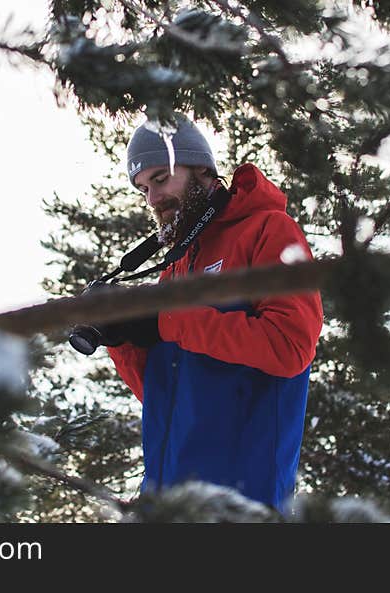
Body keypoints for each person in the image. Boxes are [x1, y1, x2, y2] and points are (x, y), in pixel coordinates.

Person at [103, 114, 324, 512]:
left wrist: (166, 322)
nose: (152, 199)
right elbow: (167, 395)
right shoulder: (176, 264)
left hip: (241, 500)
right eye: (142, 189)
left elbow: (290, 347)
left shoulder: (268, 230)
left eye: (160, 178)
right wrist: (121, 339)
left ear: (201, 168)